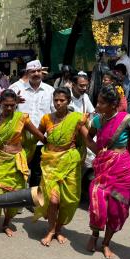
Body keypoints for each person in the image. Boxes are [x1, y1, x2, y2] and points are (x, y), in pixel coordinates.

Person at [85, 85, 130, 259]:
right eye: (97, 102)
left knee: (116, 208)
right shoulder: (97, 120)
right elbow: (89, 137)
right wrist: (98, 151)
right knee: (98, 205)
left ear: (113, 105)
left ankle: (106, 243)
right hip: (103, 167)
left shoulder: (127, 120)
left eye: (102, 103)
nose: (97, 106)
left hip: (123, 171)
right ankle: (94, 235)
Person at [0, 89, 45, 237]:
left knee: (14, 193)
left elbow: (38, 135)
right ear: (0, 103)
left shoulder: (22, 118)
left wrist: (53, 145)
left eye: (12, 105)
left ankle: (6, 223)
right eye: (6, 105)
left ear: (16, 104)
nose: (9, 108)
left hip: (16, 162)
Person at [34, 88, 89, 246]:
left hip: (70, 163)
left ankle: (58, 229)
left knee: (69, 201)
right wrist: (48, 146)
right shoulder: (46, 119)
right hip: (50, 164)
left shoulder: (77, 119)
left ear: (69, 101)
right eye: (56, 100)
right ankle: (51, 230)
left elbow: (87, 140)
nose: (58, 103)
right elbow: (39, 134)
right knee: (52, 199)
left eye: (62, 100)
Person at [17, 60, 55, 190]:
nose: (36, 74)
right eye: (33, 71)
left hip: (41, 139)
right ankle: (18, 200)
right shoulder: (16, 89)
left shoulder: (50, 91)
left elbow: (54, 114)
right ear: (27, 73)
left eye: (39, 71)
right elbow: (4, 110)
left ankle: (33, 199)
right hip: (20, 139)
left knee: (38, 172)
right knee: (20, 169)